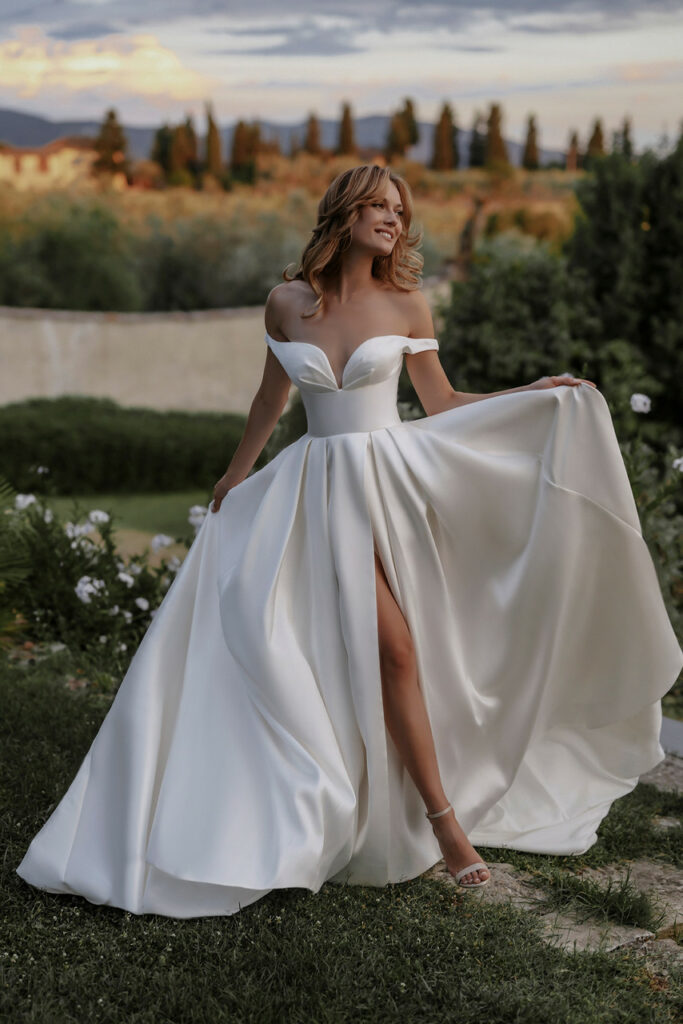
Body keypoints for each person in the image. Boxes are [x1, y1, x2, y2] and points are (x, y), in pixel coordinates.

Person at [16, 165, 683, 919]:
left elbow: (442, 402)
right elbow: (272, 398)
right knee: (334, 648)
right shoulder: (285, 303)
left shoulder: (405, 300)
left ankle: (441, 821)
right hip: (310, 493)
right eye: (378, 207)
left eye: (399, 211)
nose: (392, 220)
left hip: (389, 487)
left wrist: (532, 394)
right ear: (344, 212)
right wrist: (234, 477)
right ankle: (342, 800)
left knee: (395, 649)